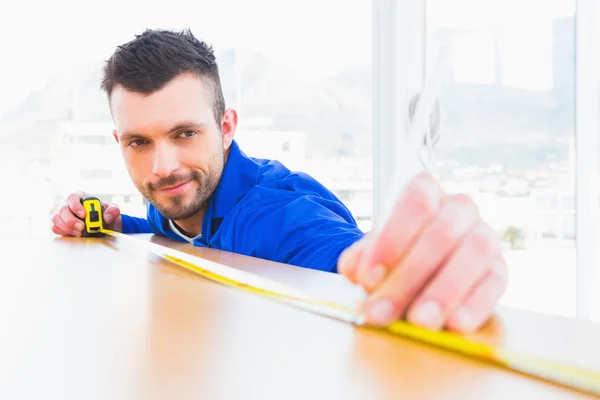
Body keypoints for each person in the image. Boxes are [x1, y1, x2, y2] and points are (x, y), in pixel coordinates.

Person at [51, 29, 507, 333]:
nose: (161, 167)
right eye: (138, 143)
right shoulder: (180, 193)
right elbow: (174, 234)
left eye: (185, 134)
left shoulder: (279, 216)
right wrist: (106, 223)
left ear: (226, 128)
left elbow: (346, 261)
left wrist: (416, 270)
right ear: (119, 141)